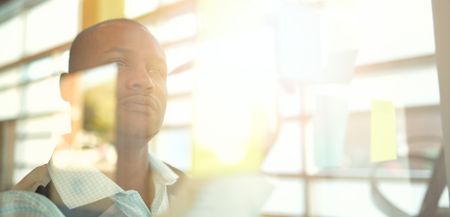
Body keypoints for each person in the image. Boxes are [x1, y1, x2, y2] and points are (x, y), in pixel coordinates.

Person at [10, 18, 185, 216]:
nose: (146, 81)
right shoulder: (27, 209)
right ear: (70, 87)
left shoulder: (193, 193)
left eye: (156, 70)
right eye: (119, 63)